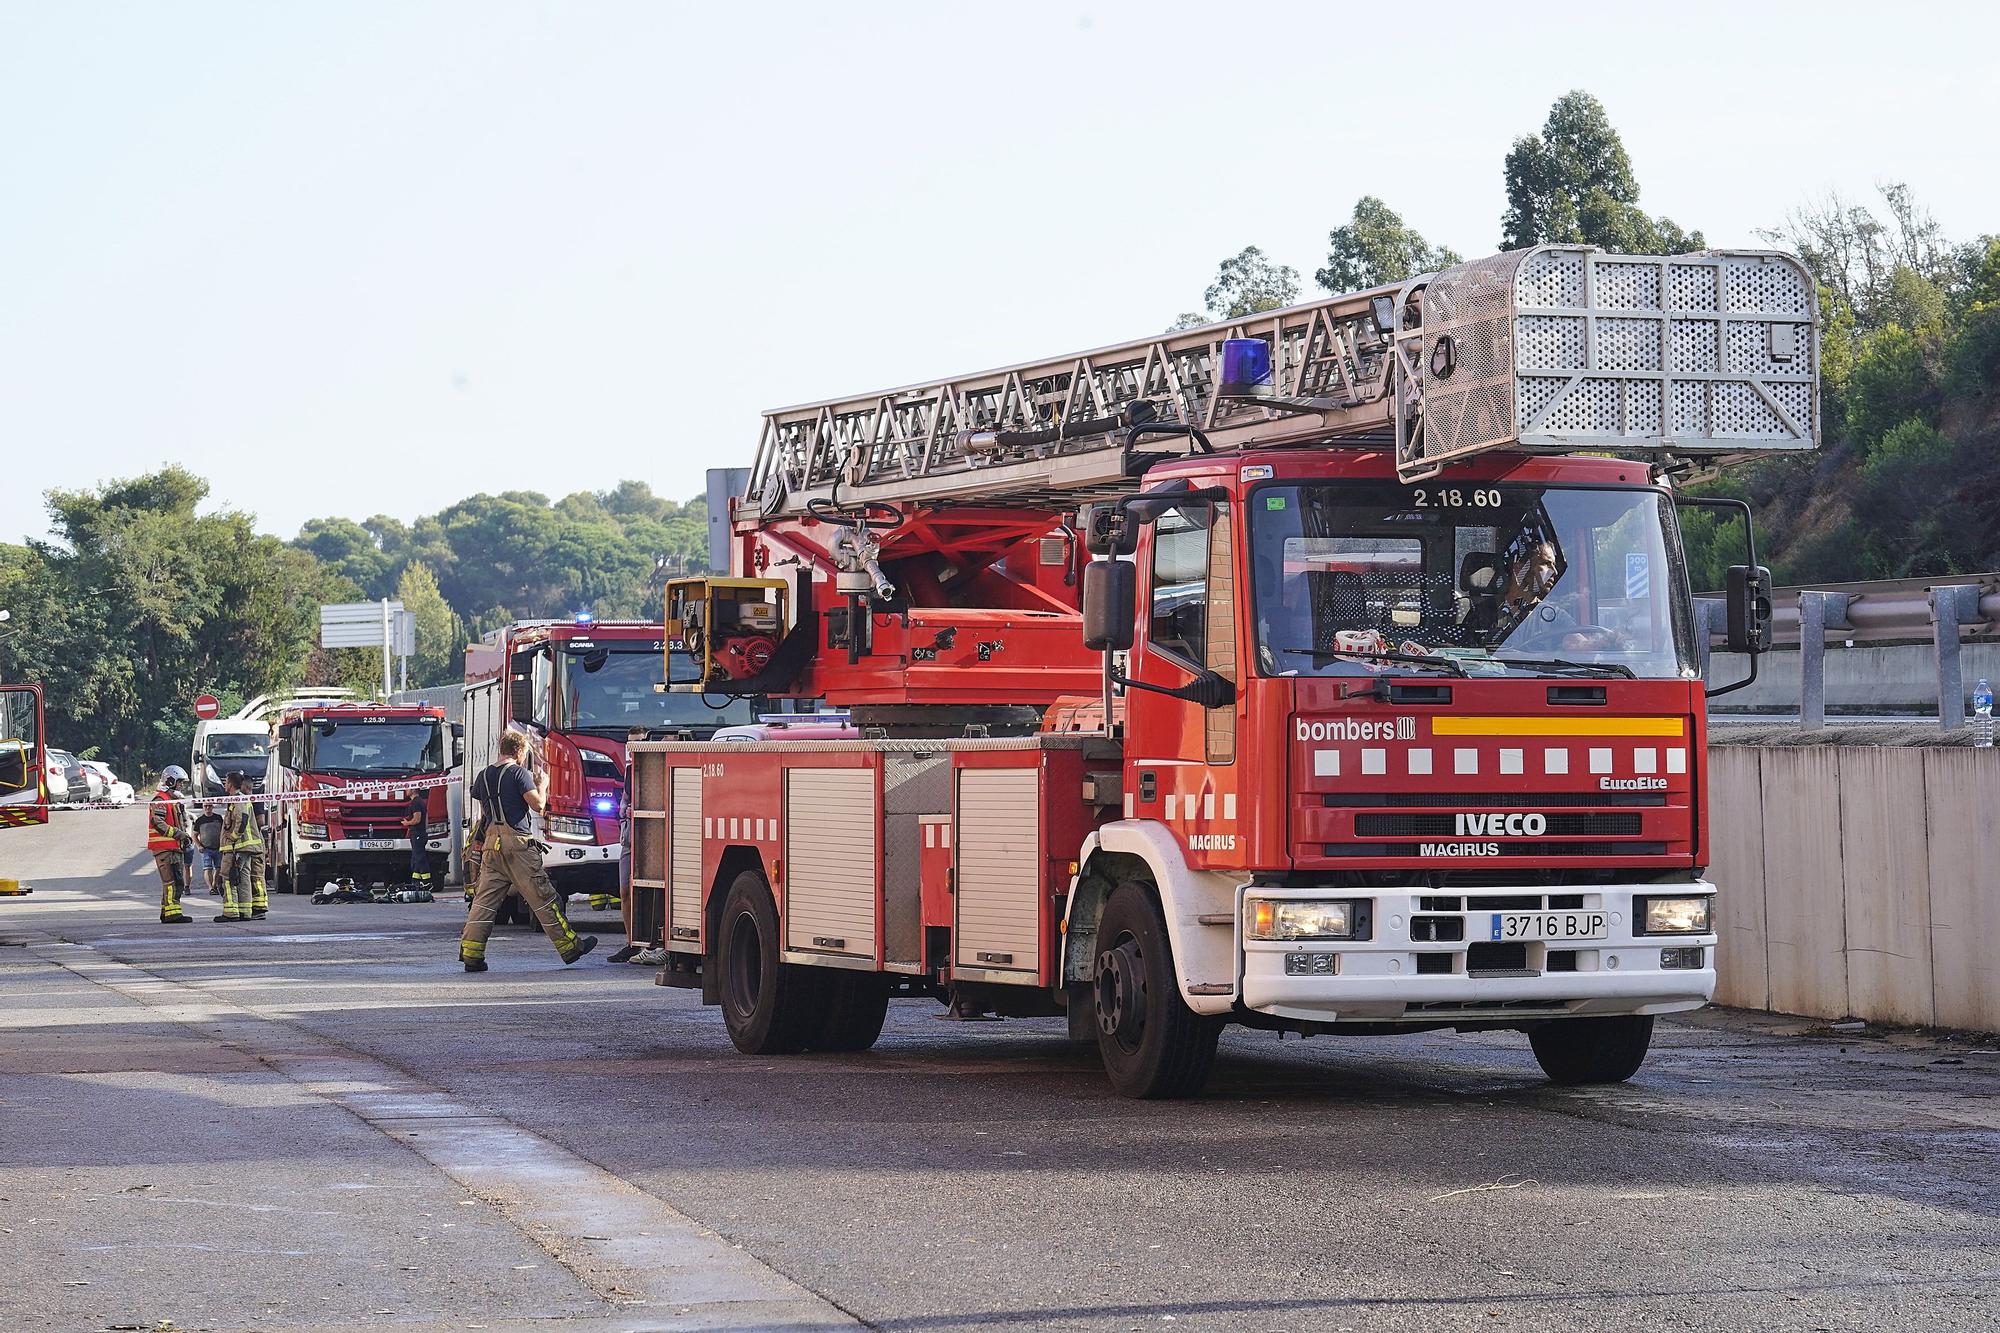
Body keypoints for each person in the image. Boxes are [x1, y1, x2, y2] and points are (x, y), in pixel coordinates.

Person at [459, 731, 595, 972]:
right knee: (543, 898)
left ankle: (471, 955)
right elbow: (538, 805)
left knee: (484, 902)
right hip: (519, 847)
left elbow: (484, 811)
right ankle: (571, 947)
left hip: (492, 845)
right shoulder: (519, 773)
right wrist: (543, 785)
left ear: (501, 748)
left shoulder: (484, 775)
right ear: (519, 752)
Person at [148, 766, 194, 925]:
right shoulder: (161, 800)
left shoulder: (172, 799)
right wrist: (177, 834)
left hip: (174, 848)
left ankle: (167, 911)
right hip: (165, 848)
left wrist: (184, 835)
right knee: (171, 882)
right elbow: (157, 822)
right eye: (179, 782)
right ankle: (172, 914)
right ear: (170, 780)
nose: (181, 786)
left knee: (175, 881)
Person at [401, 789, 432, 890]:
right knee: (415, 859)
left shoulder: (416, 802)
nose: (406, 790)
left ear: (413, 790)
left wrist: (407, 823)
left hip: (418, 833)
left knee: (419, 858)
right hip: (419, 833)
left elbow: (417, 819)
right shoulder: (420, 802)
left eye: (408, 788)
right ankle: (416, 881)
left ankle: (427, 881)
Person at [192, 802, 224, 896]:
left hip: (218, 848)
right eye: (205, 806)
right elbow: (194, 835)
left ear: (213, 806)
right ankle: (211, 888)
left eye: (209, 806)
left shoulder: (218, 818)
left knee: (218, 868)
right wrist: (199, 846)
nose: (207, 808)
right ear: (203, 807)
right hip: (206, 849)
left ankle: (214, 884)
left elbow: (224, 831)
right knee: (207, 868)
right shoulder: (200, 820)